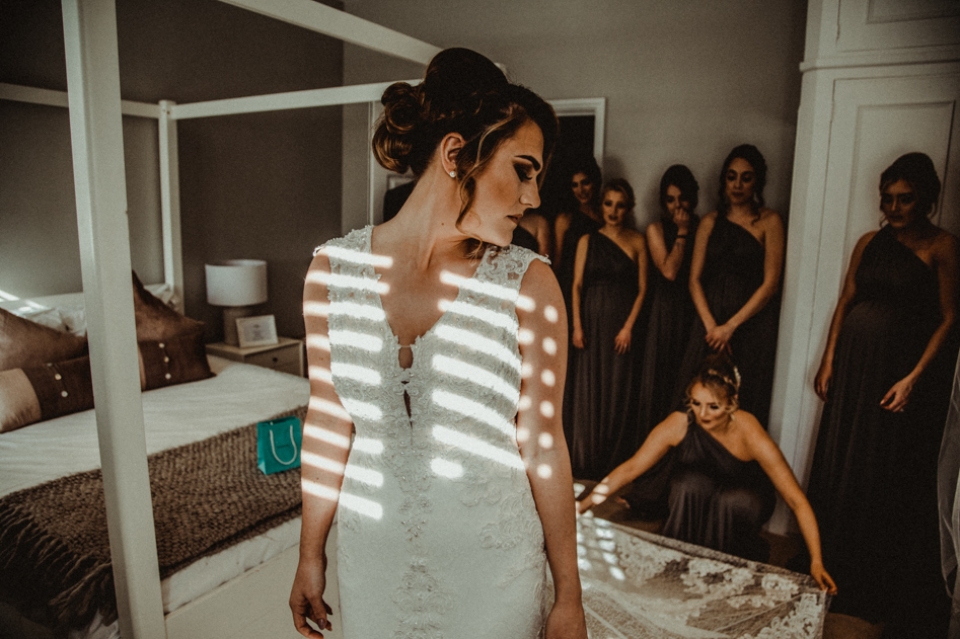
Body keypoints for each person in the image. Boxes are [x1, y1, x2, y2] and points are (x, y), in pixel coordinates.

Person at [290, 48, 587, 639]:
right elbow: (329, 422)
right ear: (457, 155)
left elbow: (544, 443)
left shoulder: (530, 283)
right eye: (523, 170)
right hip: (374, 569)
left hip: (494, 575)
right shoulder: (331, 274)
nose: (533, 199)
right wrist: (310, 555)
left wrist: (569, 595)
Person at [807, 152, 958, 637]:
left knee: (881, 469)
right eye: (888, 199)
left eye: (905, 199)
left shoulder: (943, 246)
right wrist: (829, 360)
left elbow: (952, 318)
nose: (894, 207)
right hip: (854, 371)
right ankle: (825, 561)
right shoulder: (869, 242)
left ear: (927, 198)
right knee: (843, 459)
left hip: (898, 376)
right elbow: (847, 300)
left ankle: (869, 575)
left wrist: (914, 377)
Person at [578, 354, 838, 594]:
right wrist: (584, 504)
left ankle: (724, 567)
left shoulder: (749, 430)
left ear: (732, 404)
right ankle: (682, 556)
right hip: (698, 492)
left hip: (743, 498)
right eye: (696, 403)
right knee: (687, 483)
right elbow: (632, 467)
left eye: (713, 406)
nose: (702, 414)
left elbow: (796, 500)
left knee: (733, 499)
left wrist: (816, 561)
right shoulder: (681, 422)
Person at [674, 144, 784, 426]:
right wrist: (712, 327)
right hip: (708, 322)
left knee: (737, 398)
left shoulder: (770, 221)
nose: (737, 184)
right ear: (723, 179)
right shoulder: (710, 221)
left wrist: (731, 327)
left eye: (746, 178)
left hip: (748, 325)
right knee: (694, 393)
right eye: (732, 176)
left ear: (757, 181)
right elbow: (694, 279)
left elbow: (771, 283)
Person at [627, 165, 701, 517]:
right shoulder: (656, 230)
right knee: (656, 396)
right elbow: (669, 271)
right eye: (670, 200)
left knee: (683, 397)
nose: (677, 207)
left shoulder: (707, 227)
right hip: (664, 317)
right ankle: (645, 487)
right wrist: (683, 233)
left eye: (682, 199)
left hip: (692, 319)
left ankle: (674, 489)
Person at [565, 178, 648, 480]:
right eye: (608, 204)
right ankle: (585, 461)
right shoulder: (587, 241)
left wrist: (628, 328)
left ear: (629, 208)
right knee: (590, 388)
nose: (613, 211)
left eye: (620, 205)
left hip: (621, 325)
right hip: (590, 322)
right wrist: (577, 325)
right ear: (601, 206)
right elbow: (575, 285)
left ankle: (612, 463)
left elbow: (642, 290)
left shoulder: (638, 241)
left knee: (616, 389)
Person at [553, 154, 603, 315]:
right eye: (575, 185)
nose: (580, 190)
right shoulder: (565, 219)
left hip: (597, 288)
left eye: (585, 183)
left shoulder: (606, 217)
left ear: (594, 181)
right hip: (570, 287)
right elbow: (558, 262)